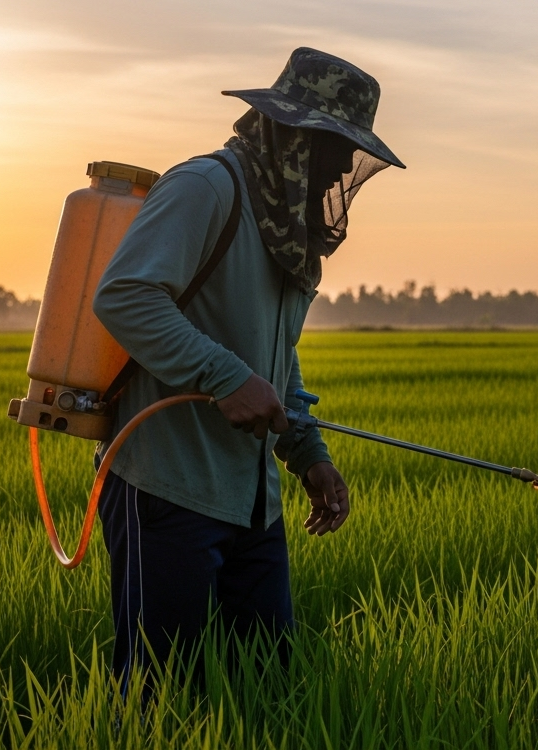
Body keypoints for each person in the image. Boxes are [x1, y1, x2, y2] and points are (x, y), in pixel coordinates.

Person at [91, 47, 405, 679]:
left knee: (266, 685)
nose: (343, 167)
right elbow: (124, 295)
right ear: (292, 134)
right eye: (335, 149)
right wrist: (226, 377)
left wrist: (309, 454)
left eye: (351, 155)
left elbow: (275, 353)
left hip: (253, 502)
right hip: (167, 486)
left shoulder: (289, 228)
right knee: (160, 690)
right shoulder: (206, 187)